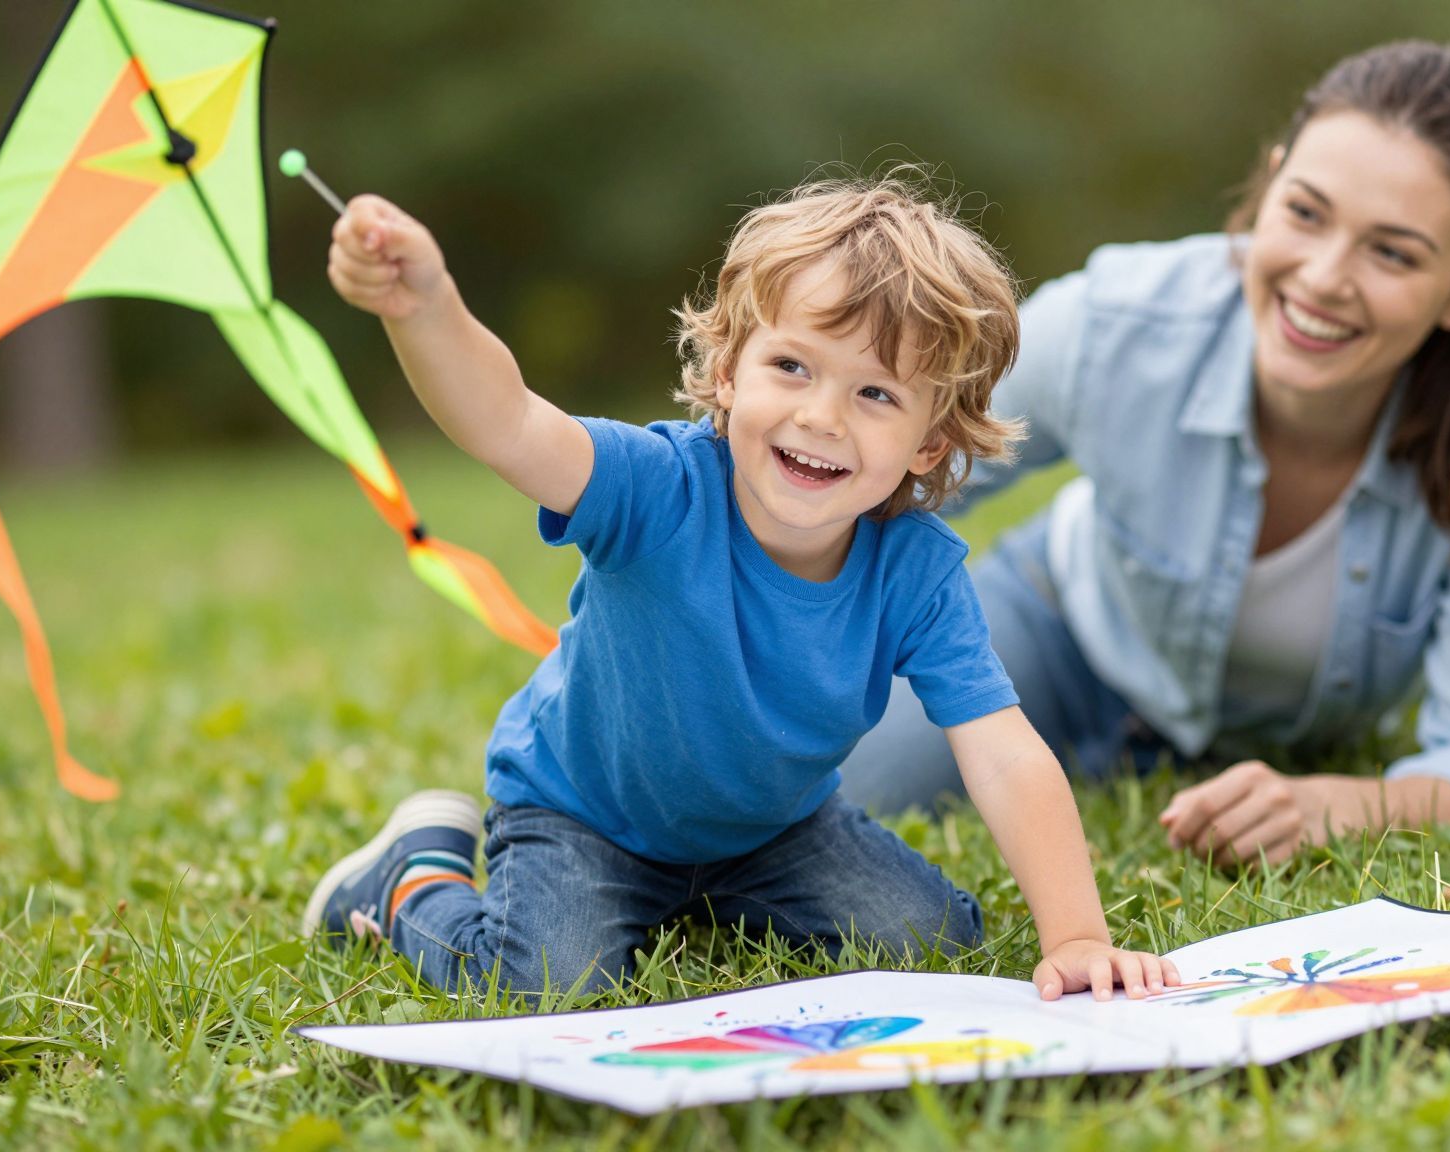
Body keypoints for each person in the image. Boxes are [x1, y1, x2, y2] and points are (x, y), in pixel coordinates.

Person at [300, 175, 1179, 1002]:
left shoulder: (915, 571)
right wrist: (427, 309)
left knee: (929, 938)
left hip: (774, 831)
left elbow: (1003, 750)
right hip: (582, 816)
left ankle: (705, 897)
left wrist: (1074, 936)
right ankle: (414, 876)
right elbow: (509, 421)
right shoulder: (655, 487)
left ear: (930, 445)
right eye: (792, 367)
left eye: (875, 392)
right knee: (545, 985)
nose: (821, 416)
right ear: (728, 372)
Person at [840, 42, 1450, 866]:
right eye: (1305, 212)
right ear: (1269, 189)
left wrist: (1334, 803)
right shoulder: (1117, 324)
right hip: (1062, 631)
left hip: (1295, 726)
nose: (1324, 277)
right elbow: (864, 474)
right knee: (844, 788)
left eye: (1393, 253)